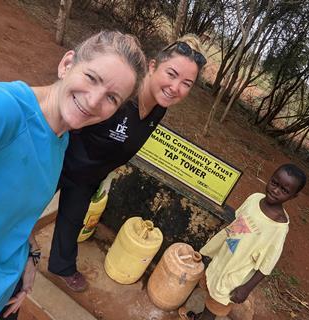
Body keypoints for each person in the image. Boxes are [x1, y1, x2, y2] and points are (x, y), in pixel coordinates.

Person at [0, 30, 146, 320]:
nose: (95, 100)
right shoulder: (4, 108)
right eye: (92, 78)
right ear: (67, 64)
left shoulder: (61, 139)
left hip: (3, 297)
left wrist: (28, 251)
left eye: (112, 97)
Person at [47, 34, 207, 292]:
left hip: (89, 177)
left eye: (186, 83)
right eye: (172, 74)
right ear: (153, 66)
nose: (176, 87)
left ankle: (61, 266)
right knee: (21, 212)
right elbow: (71, 118)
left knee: (72, 220)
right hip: (59, 163)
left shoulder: (159, 108)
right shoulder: (121, 98)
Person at [180, 163, 307, 320]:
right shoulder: (254, 199)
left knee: (217, 303)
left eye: (284, 190)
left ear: (293, 196)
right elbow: (238, 223)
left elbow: (267, 265)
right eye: (274, 183)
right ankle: (202, 316)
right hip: (224, 257)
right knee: (210, 287)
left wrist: (246, 288)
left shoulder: (278, 228)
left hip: (236, 273)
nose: (275, 190)